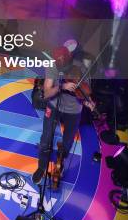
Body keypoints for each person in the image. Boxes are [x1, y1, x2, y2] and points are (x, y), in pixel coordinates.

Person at [32, 44, 96, 185]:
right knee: (46, 138)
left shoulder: (81, 69)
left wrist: (88, 103)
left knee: (67, 141)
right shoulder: (52, 66)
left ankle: (60, 164)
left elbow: (85, 94)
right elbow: (47, 93)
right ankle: (42, 167)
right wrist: (61, 86)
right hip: (54, 106)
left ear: (69, 58)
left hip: (73, 110)